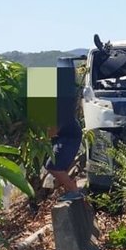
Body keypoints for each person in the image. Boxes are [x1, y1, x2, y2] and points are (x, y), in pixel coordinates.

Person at [44, 60, 83, 195]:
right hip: (65, 136)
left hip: (70, 137)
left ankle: (74, 192)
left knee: (53, 167)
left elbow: (53, 130)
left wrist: (39, 137)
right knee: (58, 167)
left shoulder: (60, 105)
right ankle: (70, 191)